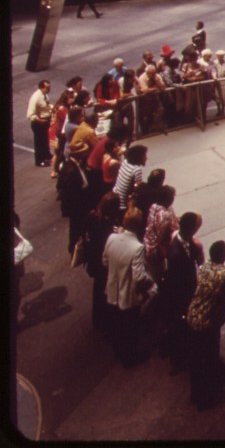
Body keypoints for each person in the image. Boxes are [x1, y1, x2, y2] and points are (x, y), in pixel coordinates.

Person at [186, 240, 225, 411]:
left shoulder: (204, 268)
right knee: (208, 358)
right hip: (209, 322)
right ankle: (206, 399)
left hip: (193, 315)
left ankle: (195, 393)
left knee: (196, 358)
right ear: (224, 256)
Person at [103, 208, 156, 367]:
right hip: (128, 295)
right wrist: (151, 282)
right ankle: (130, 358)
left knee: (117, 325)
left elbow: (105, 262)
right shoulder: (137, 247)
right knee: (130, 329)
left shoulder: (112, 238)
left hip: (113, 290)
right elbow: (139, 276)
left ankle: (118, 352)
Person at [160, 212, 205, 373]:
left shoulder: (178, 239)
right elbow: (195, 266)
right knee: (179, 324)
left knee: (175, 322)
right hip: (181, 290)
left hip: (176, 287)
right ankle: (177, 359)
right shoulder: (179, 252)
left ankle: (170, 349)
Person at [84, 191, 121, 331]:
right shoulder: (107, 223)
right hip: (104, 261)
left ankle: (97, 320)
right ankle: (105, 321)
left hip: (94, 259)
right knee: (105, 291)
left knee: (98, 291)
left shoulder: (92, 215)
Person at [143, 185, 179, 284]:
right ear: (168, 199)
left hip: (147, 242)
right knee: (158, 275)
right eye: (172, 197)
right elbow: (161, 236)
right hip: (155, 249)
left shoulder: (154, 206)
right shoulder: (165, 215)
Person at [113, 144, 148, 211]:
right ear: (139, 157)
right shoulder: (137, 170)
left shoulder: (125, 162)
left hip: (116, 197)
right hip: (124, 205)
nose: (146, 158)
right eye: (144, 156)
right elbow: (138, 188)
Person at [27, 79, 53, 167]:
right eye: (47, 87)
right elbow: (30, 114)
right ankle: (39, 161)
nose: (49, 89)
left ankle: (47, 155)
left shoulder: (44, 95)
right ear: (42, 87)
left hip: (45, 122)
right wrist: (40, 120)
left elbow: (46, 105)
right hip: (39, 123)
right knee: (39, 143)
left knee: (45, 140)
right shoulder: (36, 97)